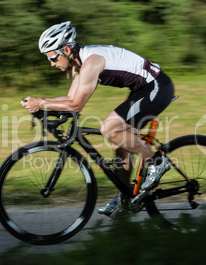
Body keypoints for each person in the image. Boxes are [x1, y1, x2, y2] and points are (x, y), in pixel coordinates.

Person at [21, 21, 174, 216]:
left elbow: (77, 105)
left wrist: (42, 102)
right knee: (120, 143)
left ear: (66, 49)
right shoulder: (79, 65)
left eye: (52, 58)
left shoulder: (91, 62)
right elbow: (69, 100)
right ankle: (126, 197)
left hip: (157, 87)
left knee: (109, 129)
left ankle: (156, 162)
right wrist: (44, 110)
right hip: (142, 90)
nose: (51, 63)